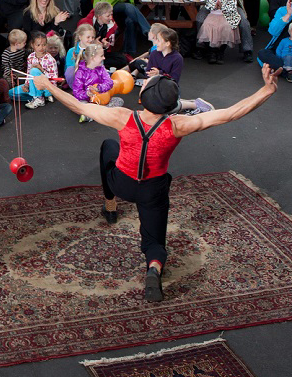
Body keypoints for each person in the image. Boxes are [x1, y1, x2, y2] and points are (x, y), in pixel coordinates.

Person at [34, 67, 278, 302]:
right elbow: (231, 113)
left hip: (121, 184)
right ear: (171, 105)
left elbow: (77, 105)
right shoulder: (178, 124)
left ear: (142, 96)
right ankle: (153, 268)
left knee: (109, 148)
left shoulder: (123, 117)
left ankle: (110, 204)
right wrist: (267, 90)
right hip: (152, 191)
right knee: (155, 242)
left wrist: (47, 86)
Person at [197, 0, 240, 64]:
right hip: (214, 14)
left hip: (226, 14)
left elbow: (232, 6)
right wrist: (215, 6)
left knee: (225, 27)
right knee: (208, 26)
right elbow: (208, 5)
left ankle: (221, 52)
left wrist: (222, 6)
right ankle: (212, 52)